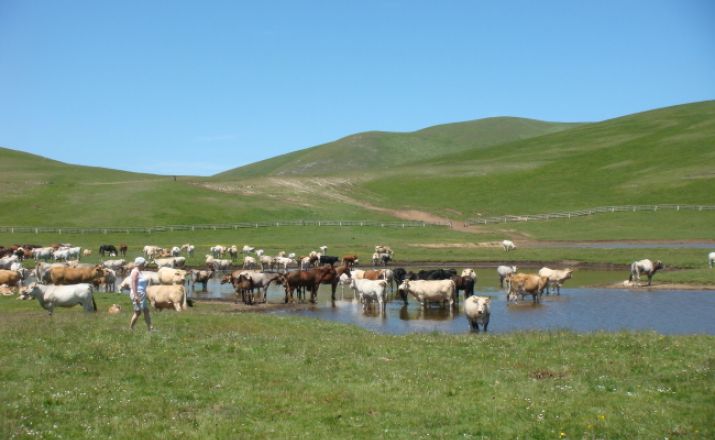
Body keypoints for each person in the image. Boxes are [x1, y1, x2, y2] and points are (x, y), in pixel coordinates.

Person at [129, 257, 153, 331]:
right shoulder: (135, 272)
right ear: (139, 264)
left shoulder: (139, 271)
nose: (144, 265)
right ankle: (131, 328)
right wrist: (136, 296)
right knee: (138, 312)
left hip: (141, 293)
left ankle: (150, 328)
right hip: (138, 294)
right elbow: (133, 283)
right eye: (143, 264)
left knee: (145, 311)